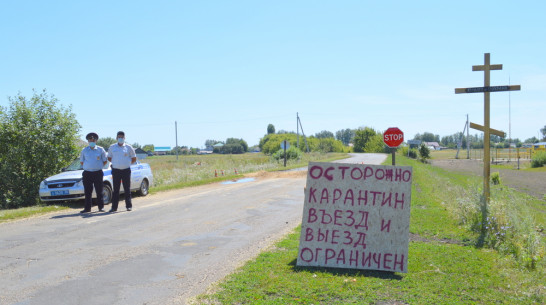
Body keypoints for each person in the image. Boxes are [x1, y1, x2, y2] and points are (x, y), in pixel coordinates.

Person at [108, 131, 137, 212]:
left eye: (122, 137)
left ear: (124, 138)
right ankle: (114, 207)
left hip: (126, 170)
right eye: (119, 137)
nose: (120, 138)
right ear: (116, 138)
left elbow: (134, 158)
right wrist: (117, 163)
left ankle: (129, 206)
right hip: (116, 170)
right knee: (116, 189)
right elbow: (109, 158)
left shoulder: (129, 147)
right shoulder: (112, 147)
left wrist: (126, 163)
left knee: (127, 189)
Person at [80, 132, 108, 213]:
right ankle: (87, 208)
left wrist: (97, 166)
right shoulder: (84, 150)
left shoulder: (100, 149)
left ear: (96, 141)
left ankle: (101, 207)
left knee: (99, 191)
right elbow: (82, 162)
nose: (92, 141)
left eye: (93, 140)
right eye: (90, 140)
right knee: (88, 192)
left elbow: (105, 161)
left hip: (97, 173)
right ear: (88, 141)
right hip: (87, 173)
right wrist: (89, 166)